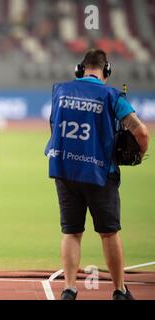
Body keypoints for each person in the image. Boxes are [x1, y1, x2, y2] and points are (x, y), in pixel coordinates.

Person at [45, 49, 150, 300]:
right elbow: (142, 132)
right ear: (107, 70)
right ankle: (119, 290)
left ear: (80, 69)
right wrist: (137, 155)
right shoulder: (112, 95)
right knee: (109, 232)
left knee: (71, 231)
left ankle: (69, 289)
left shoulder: (60, 90)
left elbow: (53, 125)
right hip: (100, 173)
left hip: (64, 170)